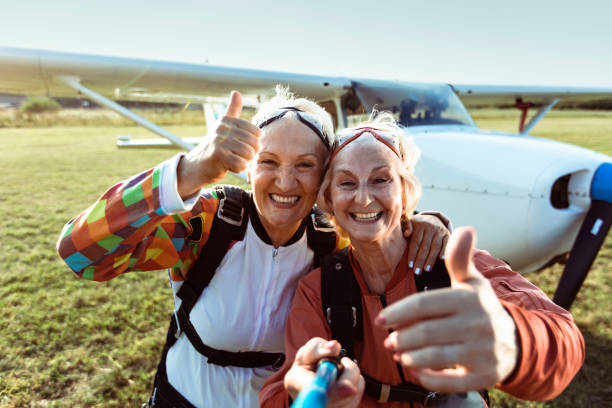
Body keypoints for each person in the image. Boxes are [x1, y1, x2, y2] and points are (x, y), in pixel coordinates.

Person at [56, 89, 450, 407]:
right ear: (248, 168)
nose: (285, 181)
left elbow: (378, 220)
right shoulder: (210, 224)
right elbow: (81, 253)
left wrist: (421, 222)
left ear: (324, 180)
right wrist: (188, 172)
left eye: (305, 165)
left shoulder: (331, 240)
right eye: (269, 161)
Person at [259, 115, 585, 407]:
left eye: (381, 179)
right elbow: (278, 395)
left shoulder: (456, 267)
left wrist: (514, 340)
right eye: (346, 183)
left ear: (406, 193)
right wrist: (299, 391)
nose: (363, 198)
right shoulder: (319, 289)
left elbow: (564, 342)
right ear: (328, 200)